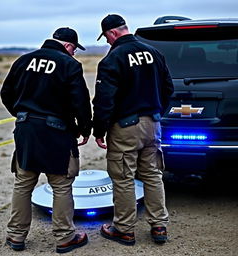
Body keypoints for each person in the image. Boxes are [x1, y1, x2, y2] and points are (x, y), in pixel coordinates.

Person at [0, 27, 91, 253]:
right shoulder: (70, 64)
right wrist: (84, 128)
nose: (74, 54)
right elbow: (80, 102)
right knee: (61, 185)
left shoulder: (23, 61)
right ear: (69, 46)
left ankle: (15, 236)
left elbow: (6, 93)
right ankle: (65, 237)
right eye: (74, 50)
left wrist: (23, 116)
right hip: (57, 132)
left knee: (23, 184)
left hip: (26, 130)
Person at [93, 14, 174, 245]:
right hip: (153, 125)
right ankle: (159, 226)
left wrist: (99, 130)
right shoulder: (154, 53)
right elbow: (168, 88)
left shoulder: (112, 59)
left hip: (125, 127)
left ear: (112, 33)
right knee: (153, 175)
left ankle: (124, 229)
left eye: (107, 38)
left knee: (123, 178)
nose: (108, 43)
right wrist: (157, 114)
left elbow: (104, 100)